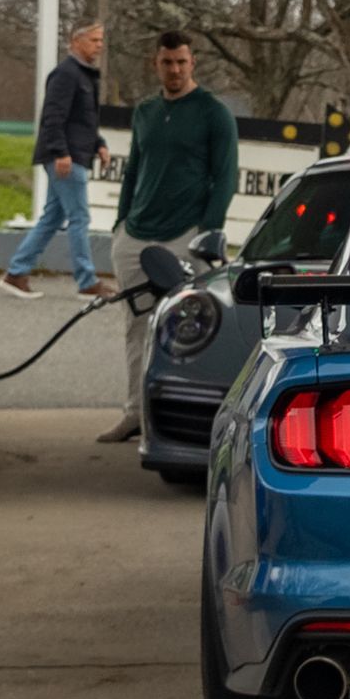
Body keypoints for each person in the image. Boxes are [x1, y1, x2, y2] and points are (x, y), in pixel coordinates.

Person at [97, 32, 239, 443]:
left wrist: (206, 232)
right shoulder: (145, 112)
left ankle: (187, 425)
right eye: (166, 63)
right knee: (136, 327)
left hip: (185, 237)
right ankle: (134, 413)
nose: (174, 70)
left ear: (193, 62)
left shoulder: (213, 113)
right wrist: (121, 224)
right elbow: (132, 172)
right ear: (154, 64)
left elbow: (225, 176)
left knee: (189, 330)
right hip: (135, 237)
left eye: (181, 62)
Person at [0, 23, 113, 300]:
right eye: (94, 40)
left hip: (74, 155)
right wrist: (60, 152)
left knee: (53, 217)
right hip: (66, 158)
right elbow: (52, 117)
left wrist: (99, 144)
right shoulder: (66, 74)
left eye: (101, 40)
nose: (99, 45)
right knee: (79, 217)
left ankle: (16, 273)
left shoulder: (84, 76)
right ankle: (87, 282)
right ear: (76, 41)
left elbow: (82, 120)